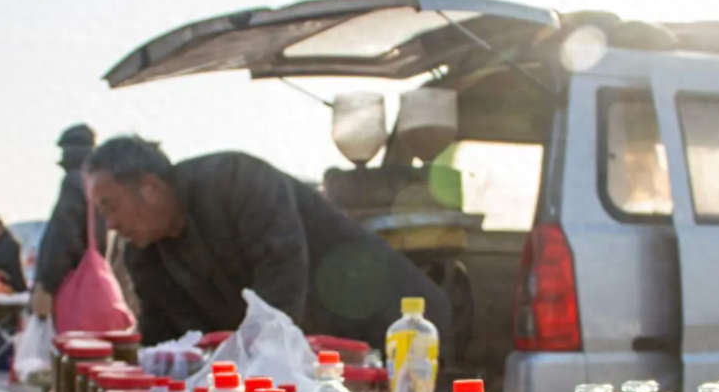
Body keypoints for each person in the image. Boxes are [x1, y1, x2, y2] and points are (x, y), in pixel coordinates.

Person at [84, 136, 454, 352]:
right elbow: (167, 336)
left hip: (398, 330)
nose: (111, 224)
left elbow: (283, 275)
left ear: (151, 187)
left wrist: (255, 363)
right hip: (319, 361)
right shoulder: (144, 253)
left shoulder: (236, 180)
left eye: (111, 206)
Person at [31, 124, 106, 317]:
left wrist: (46, 285)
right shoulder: (101, 184)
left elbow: (63, 237)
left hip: (73, 285)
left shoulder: (73, 181)